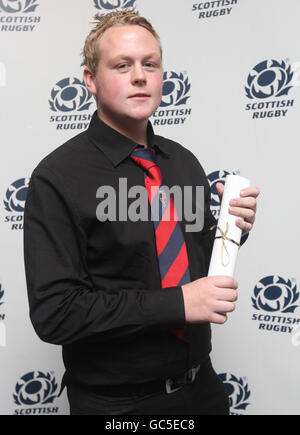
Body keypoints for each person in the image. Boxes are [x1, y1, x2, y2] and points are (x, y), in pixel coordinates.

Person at [23, 9, 259, 415]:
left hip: (202, 389)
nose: (139, 76)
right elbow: (55, 314)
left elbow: (194, 261)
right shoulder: (57, 178)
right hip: (118, 405)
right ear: (90, 81)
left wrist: (232, 230)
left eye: (150, 64)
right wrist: (177, 303)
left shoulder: (183, 162)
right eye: (122, 65)